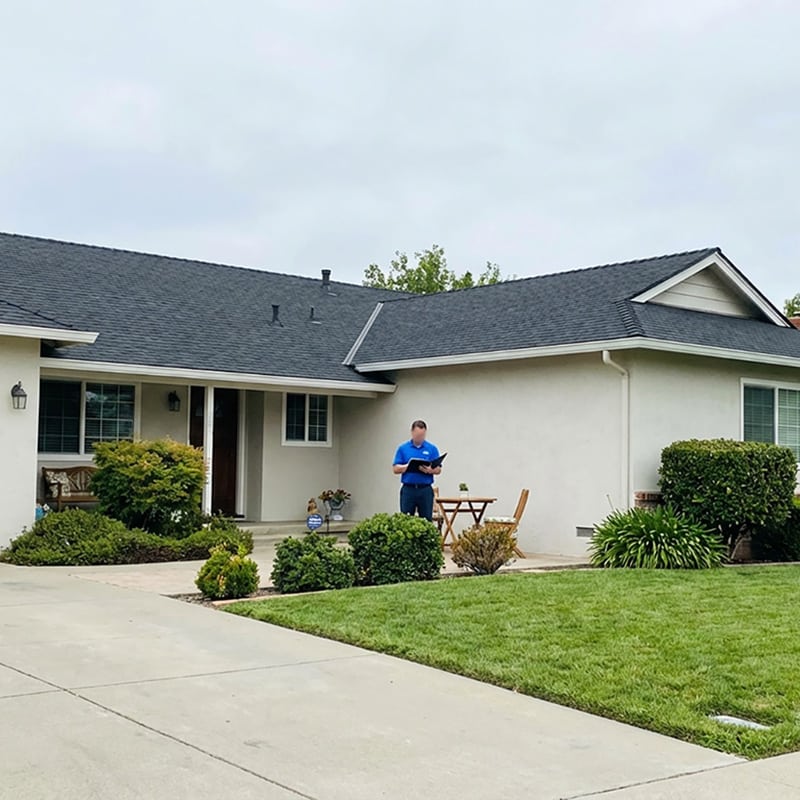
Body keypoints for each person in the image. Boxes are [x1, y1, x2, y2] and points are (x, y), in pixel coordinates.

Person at [392, 419, 442, 521]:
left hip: (425, 489)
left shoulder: (432, 448)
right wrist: (407, 466)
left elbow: (438, 469)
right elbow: (395, 468)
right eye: (418, 435)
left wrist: (429, 470)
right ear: (412, 432)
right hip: (408, 489)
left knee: (426, 520)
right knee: (405, 519)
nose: (420, 438)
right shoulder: (403, 448)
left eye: (423, 435)